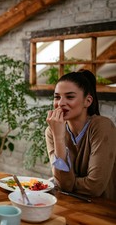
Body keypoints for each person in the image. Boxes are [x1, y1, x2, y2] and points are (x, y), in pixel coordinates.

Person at [45, 70, 116, 201]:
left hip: (103, 210)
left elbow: (95, 187)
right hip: (69, 203)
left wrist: (67, 183)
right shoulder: (52, 131)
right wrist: (59, 138)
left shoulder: (102, 126)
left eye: (70, 97)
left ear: (87, 101)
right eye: (57, 97)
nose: (60, 103)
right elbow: (62, 184)